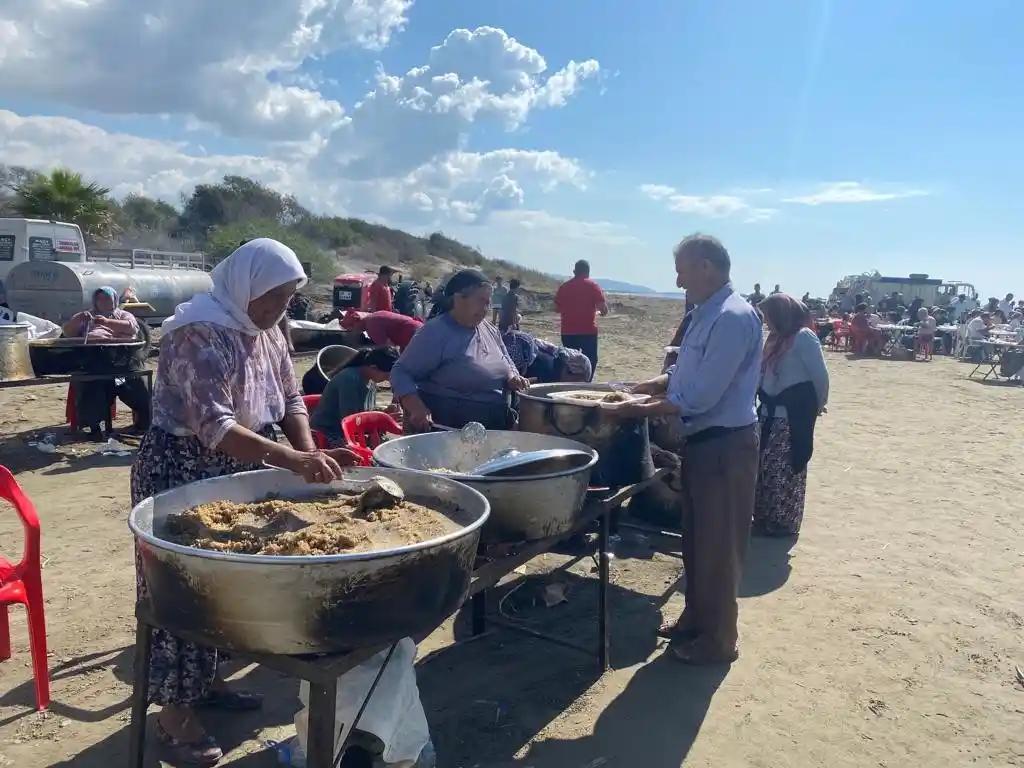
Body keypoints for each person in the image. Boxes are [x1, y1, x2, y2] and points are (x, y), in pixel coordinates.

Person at [130, 239, 358, 764]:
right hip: (181, 469)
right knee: (183, 590)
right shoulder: (196, 334)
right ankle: (173, 716)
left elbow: (291, 397)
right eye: (271, 300)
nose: (278, 312)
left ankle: (208, 684)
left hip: (239, 466)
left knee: (229, 590)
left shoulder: (268, 330)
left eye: (285, 302)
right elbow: (215, 425)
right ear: (244, 286)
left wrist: (309, 452)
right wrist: (294, 462)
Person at [612, 234, 762, 665]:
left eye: (681, 270)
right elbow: (686, 371)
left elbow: (702, 396)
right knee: (696, 542)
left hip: (725, 447)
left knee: (718, 549)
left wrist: (634, 409)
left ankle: (719, 642)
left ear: (706, 267)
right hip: (705, 446)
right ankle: (696, 621)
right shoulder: (707, 312)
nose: (677, 280)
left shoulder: (732, 317)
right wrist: (652, 386)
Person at [391, 269, 529, 431]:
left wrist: (513, 376)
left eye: (487, 303)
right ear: (458, 299)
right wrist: (415, 407)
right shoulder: (437, 332)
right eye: (480, 301)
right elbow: (401, 372)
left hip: (492, 425)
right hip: (450, 430)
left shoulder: (489, 329)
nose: (485, 309)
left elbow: (506, 359)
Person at [754, 294, 829, 537]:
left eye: (769, 316)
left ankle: (782, 522)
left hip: (789, 418)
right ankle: (762, 517)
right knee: (763, 468)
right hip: (766, 415)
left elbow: (820, 377)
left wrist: (817, 406)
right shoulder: (774, 339)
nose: (766, 322)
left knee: (784, 470)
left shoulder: (804, 338)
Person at [63, 287, 152, 438]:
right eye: (100, 299)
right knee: (92, 392)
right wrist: (77, 321)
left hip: (121, 367)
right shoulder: (86, 316)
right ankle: (95, 428)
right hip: (93, 367)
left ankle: (144, 423)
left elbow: (132, 328)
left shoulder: (123, 315)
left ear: (115, 300)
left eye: (107, 298)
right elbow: (67, 332)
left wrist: (108, 322)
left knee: (132, 388)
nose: (103, 302)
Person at [309, 348, 399, 447]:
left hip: (350, 430)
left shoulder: (370, 381)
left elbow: (366, 411)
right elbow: (351, 421)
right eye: (386, 377)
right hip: (329, 433)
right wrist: (382, 419)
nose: (387, 380)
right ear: (373, 368)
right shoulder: (349, 380)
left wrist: (385, 412)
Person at [555, 260, 608, 379]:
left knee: (570, 360)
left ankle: (570, 383)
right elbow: (603, 310)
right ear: (588, 272)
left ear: (574, 271)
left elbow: (557, 308)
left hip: (568, 331)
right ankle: (586, 383)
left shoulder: (564, 287)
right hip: (587, 331)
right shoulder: (593, 286)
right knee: (590, 360)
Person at [502, 328, 592, 383]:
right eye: (577, 382)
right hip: (516, 351)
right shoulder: (551, 373)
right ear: (571, 372)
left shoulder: (556, 361)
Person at [341, 310, 423, 352]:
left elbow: (389, 347)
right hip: (418, 328)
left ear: (356, 324)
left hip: (413, 334)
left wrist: (362, 349)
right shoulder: (373, 317)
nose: (353, 333)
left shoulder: (372, 327)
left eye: (351, 330)